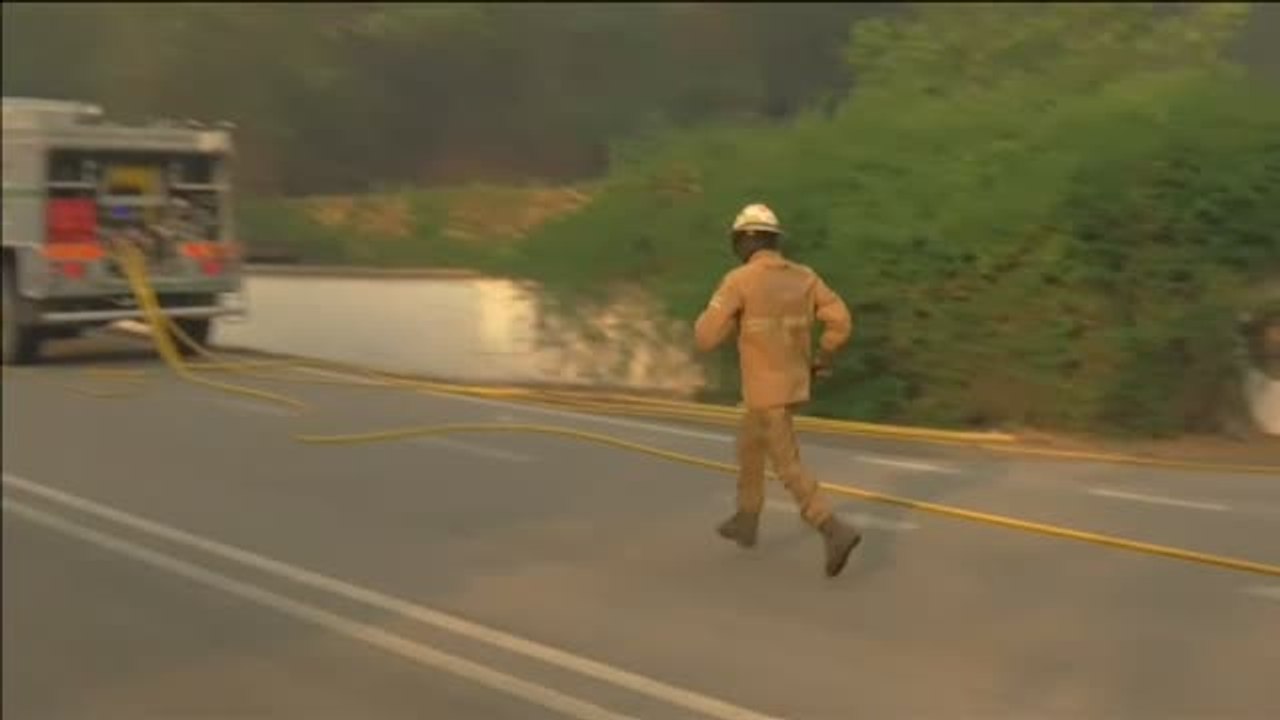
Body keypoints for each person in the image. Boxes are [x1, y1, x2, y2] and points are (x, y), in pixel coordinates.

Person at [694, 203, 863, 578]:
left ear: (744, 241)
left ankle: (832, 528)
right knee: (749, 446)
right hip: (793, 381)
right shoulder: (805, 277)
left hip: (766, 388)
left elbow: (706, 337)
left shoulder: (739, 281)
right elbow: (841, 321)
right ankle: (747, 517)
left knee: (787, 465)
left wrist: (725, 321)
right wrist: (824, 356)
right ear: (774, 240)